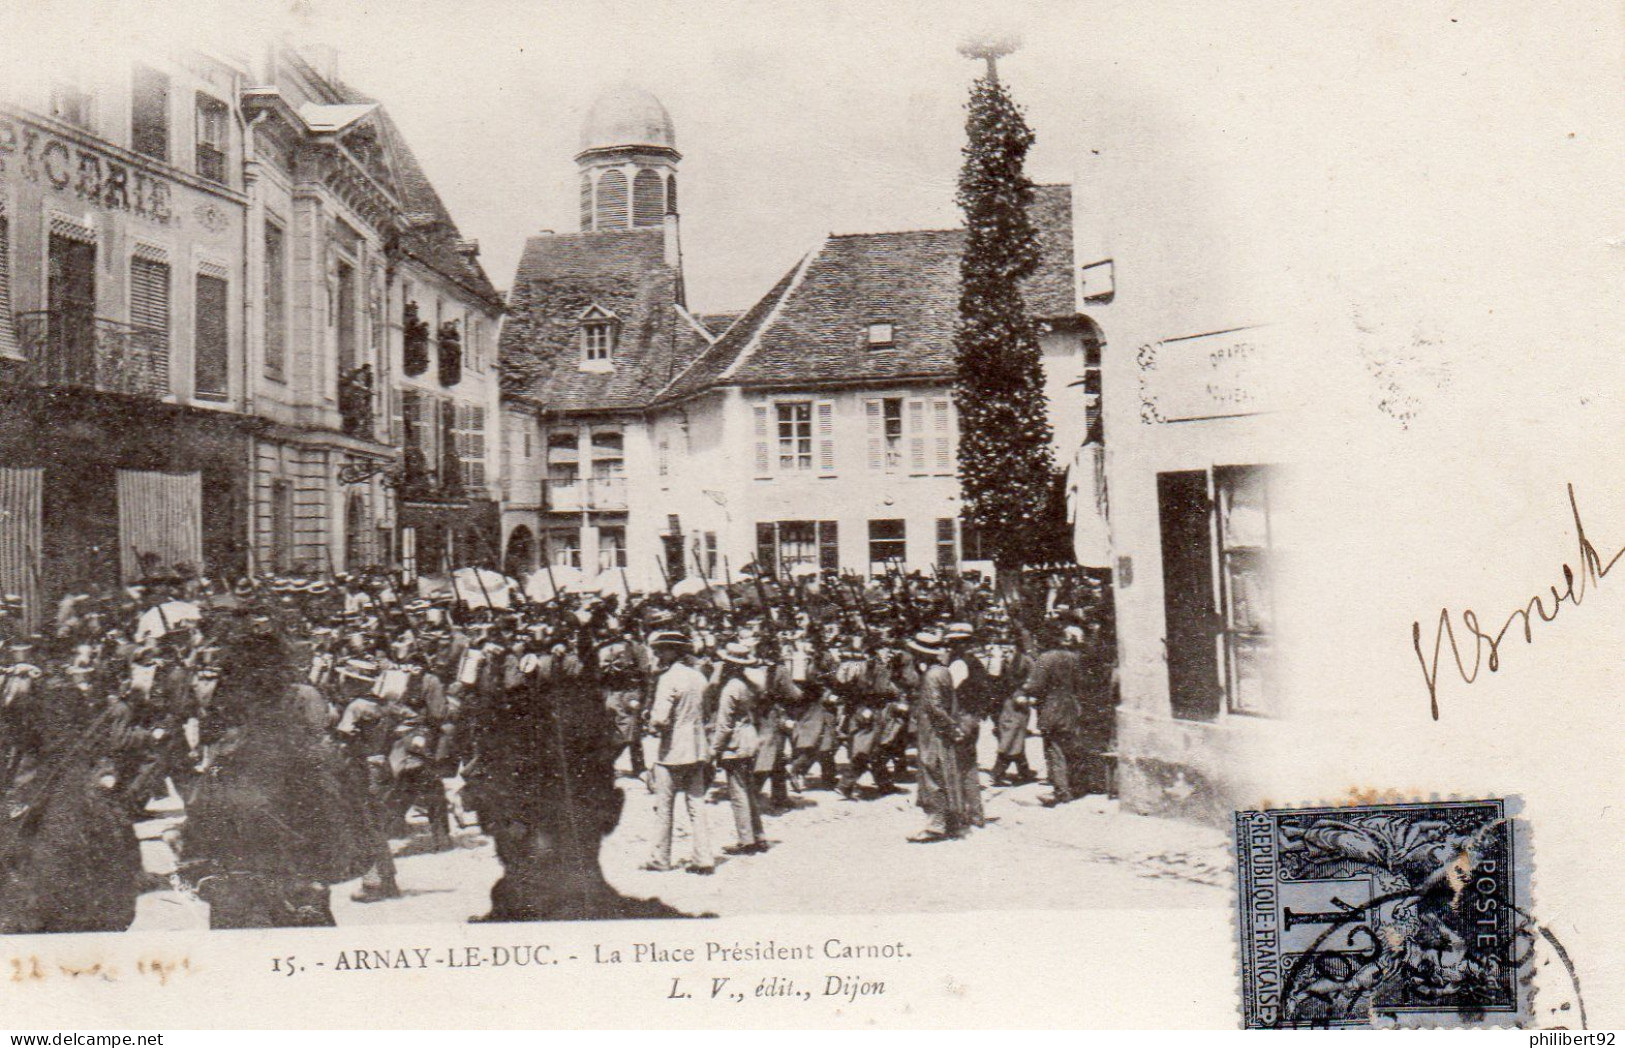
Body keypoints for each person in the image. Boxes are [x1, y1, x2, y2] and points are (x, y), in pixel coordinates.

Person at [178, 622, 372, 929]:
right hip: (297, 894)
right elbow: (349, 851)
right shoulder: (314, 760)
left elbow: (195, 853)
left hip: (244, 899)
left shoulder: (227, 764)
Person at [643, 630, 715, 874]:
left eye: (662, 649)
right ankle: (704, 858)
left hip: (672, 750)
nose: (657, 654)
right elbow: (706, 712)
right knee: (696, 804)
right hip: (696, 747)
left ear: (673, 651)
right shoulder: (699, 678)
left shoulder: (668, 679)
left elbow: (660, 719)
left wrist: (650, 722)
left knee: (664, 806)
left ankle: (660, 858)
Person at [904, 630, 967, 842]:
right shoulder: (942, 671)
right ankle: (950, 822)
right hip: (940, 731)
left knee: (932, 774)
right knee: (944, 772)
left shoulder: (931, 675)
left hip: (933, 733)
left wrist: (950, 727)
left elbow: (935, 707)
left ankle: (936, 825)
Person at [1020, 622, 1090, 807]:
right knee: (1070, 749)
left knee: (1054, 750)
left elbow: (1035, 686)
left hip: (1051, 709)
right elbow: (1081, 683)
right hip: (1071, 708)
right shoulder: (1074, 658)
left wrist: (1023, 692)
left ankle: (1061, 791)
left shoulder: (1046, 659)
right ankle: (1075, 786)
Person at [708, 641, 767, 856]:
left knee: (738, 792)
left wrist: (713, 750)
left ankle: (746, 840)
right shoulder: (749, 684)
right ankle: (757, 835)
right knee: (748, 790)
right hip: (750, 739)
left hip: (736, 743)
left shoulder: (730, 688)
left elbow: (724, 725)